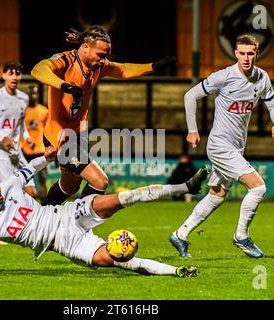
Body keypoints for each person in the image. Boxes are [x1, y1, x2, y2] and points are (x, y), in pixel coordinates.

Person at [0, 146, 209, 277]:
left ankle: (186, 186)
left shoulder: (9, 185)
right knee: (113, 260)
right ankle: (178, 271)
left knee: (127, 197)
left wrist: (50, 156)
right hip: (65, 243)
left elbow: (31, 167)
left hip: (67, 214)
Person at [31, 25, 176, 206]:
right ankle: (79, 225)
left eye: (105, 55)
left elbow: (122, 69)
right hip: (59, 136)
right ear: (85, 48)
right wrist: (64, 86)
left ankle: (40, 220)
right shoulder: (66, 61)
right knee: (100, 181)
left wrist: (154, 66)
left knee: (69, 187)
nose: (103, 60)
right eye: (100, 54)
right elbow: (38, 69)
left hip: (77, 135)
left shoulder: (98, 67)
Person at [169, 35, 274, 259]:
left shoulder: (262, 78)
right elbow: (190, 95)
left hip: (237, 146)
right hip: (220, 145)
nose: (246, 58)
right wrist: (192, 129)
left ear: (256, 54)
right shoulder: (223, 77)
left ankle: (180, 235)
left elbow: (273, 105)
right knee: (258, 187)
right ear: (236, 53)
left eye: (250, 53)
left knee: (216, 195)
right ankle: (241, 236)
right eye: (242, 53)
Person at [0, 61, 37, 198]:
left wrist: (26, 137)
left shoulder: (24, 98)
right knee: (11, 195)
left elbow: (21, 124)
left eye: (18, 74)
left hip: (17, 152)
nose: (14, 77)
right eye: (10, 74)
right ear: (4, 75)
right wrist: (2, 138)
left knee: (31, 192)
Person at [20, 85, 49, 202]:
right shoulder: (23, 111)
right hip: (25, 150)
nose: (33, 96)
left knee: (42, 178)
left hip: (40, 149)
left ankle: (44, 204)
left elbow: (48, 130)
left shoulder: (43, 110)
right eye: (30, 93)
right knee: (24, 179)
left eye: (35, 93)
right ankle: (26, 204)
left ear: (37, 95)